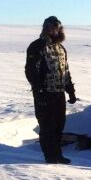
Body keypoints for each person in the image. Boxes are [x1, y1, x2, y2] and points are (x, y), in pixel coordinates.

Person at [25, 16, 77, 164]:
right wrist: (39, 90)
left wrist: (70, 90)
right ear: (45, 28)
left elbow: (65, 71)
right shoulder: (37, 46)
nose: (54, 30)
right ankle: (50, 156)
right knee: (47, 125)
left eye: (57, 27)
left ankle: (57, 155)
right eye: (51, 27)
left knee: (59, 124)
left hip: (59, 92)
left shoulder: (61, 48)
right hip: (44, 93)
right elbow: (30, 71)